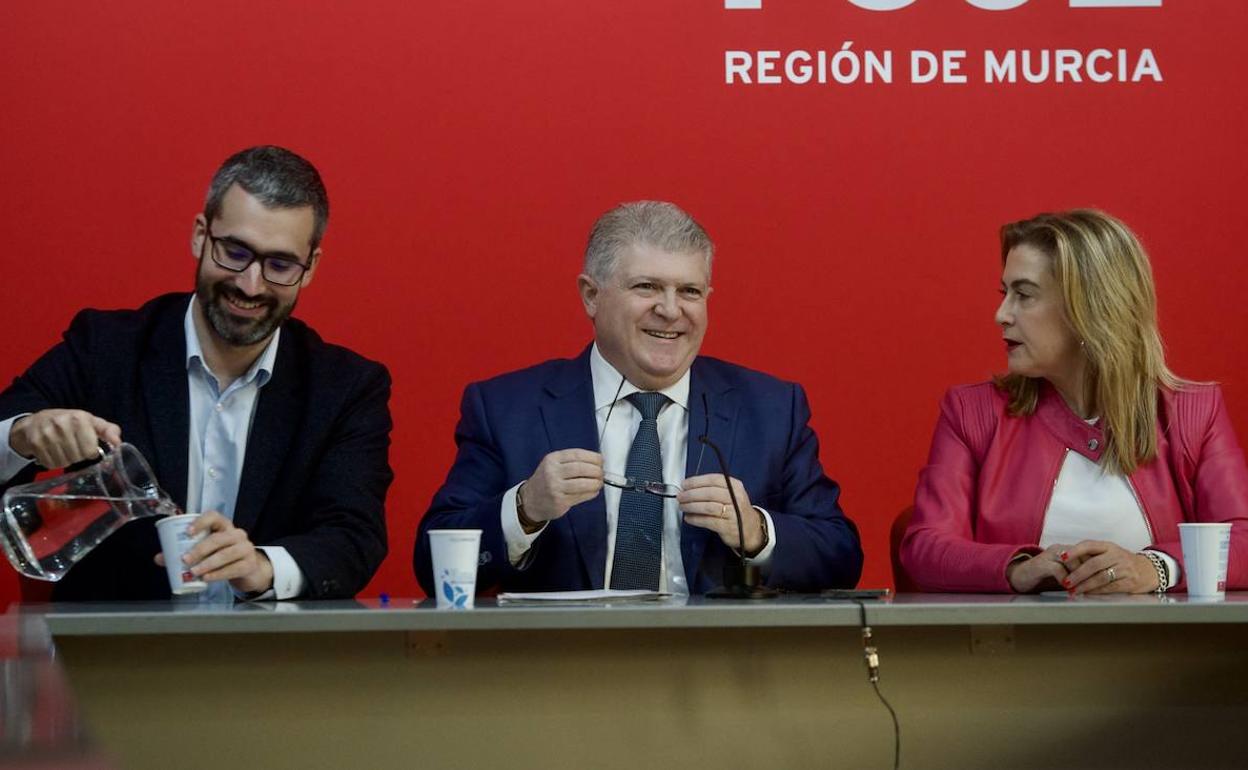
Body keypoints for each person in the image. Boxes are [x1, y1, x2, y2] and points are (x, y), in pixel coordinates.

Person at [0, 146, 393, 601]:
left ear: (310, 269)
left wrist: (263, 567)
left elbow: (353, 536)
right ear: (200, 236)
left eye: (280, 265)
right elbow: (9, 430)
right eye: (235, 252)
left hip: (270, 646)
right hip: (113, 645)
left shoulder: (345, 388)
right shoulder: (105, 348)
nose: (251, 284)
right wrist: (23, 435)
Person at [414, 201, 861, 596]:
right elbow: (432, 566)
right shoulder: (507, 409)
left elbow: (840, 556)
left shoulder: (772, 409)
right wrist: (525, 508)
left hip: (718, 657)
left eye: (689, 291)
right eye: (646, 287)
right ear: (591, 296)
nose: (670, 310)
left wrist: (757, 531)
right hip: (563, 658)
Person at [901, 209, 1248, 594]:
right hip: (1017, 636)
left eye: (1023, 295)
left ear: (1088, 310)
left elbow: (1243, 539)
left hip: (1162, 635)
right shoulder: (972, 413)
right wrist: (1018, 569)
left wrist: (1155, 568)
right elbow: (924, 547)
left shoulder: (1193, 414)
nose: (1002, 315)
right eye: (1005, 294)